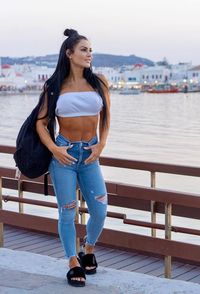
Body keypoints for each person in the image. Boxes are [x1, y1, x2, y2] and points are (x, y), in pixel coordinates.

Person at [36, 28, 110, 287]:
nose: (89, 54)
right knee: (68, 213)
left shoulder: (99, 82)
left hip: (90, 155)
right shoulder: (54, 85)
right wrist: (55, 150)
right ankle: (72, 261)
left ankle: (88, 248)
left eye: (90, 50)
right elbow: (41, 123)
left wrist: (101, 144)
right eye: (83, 50)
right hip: (64, 156)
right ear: (69, 54)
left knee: (100, 210)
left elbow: (107, 118)